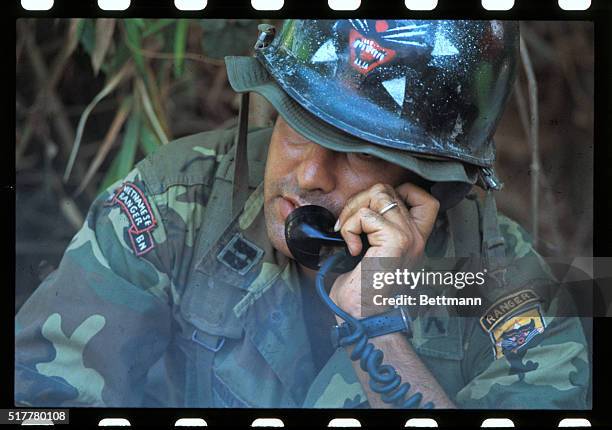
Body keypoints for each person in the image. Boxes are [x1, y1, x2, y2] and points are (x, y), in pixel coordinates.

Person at [15, 19, 590, 409]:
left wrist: (376, 329)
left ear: (428, 173)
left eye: (359, 153)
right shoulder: (178, 200)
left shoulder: (501, 285)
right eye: (295, 125)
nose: (310, 174)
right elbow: (41, 397)